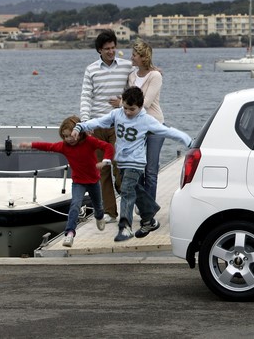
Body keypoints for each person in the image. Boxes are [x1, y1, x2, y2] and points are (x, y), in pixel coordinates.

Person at [71, 86, 193, 242]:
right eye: (126, 107)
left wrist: (188, 141)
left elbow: (167, 131)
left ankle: (125, 227)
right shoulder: (117, 114)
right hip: (121, 162)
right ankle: (150, 219)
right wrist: (80, 126)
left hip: (136, 163)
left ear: (140, 106)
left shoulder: (146, 120)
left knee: (127, 191)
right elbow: (98, 122)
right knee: (134, 190)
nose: (128, 112)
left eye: (132, 109)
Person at [18, 116, 115, 248]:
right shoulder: (64, 146)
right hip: (78, 182)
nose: (68, 139)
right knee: (75, 205)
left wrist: (105, 161)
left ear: (79, 133)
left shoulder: (90, 142)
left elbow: (108, 147)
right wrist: (31, 145)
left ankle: (99, 216)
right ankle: (69, 233)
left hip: (93, 181)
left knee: (98, 207)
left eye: (70, 136)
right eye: (65, 136)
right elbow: (48, 146)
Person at [79, 29, 133, 224]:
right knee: (102, 171)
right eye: (107, 49)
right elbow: (86, 97)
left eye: (113, 47)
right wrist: (85, 123)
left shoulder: (127, 66)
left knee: (120, 166)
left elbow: (138, 86)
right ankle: (111, 212)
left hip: (118, 124)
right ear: (99, 50)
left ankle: (127, 200)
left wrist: (123, 101)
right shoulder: (91, 70)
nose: (111, 51)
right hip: (97, 125)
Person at [126, 39, 164, 201]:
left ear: (143, 57)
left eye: (134, 55)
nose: (131, 58)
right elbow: (131, 103)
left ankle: (149, 209)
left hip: (154, 127)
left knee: (151, 171)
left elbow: (145, 103)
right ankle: (141, 202)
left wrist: (122, 103)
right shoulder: (132, 76)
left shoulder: (155, 76)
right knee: (138, 170)